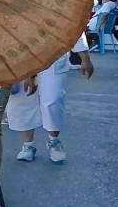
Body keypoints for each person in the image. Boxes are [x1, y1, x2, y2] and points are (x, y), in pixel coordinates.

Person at [8, 34, 94, 163]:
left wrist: (85, 58)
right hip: (20, 54)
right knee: (22, 101)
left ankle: (54, 141)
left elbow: (74, 28)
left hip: (52, 54)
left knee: (52, 100)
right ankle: (27, 145)